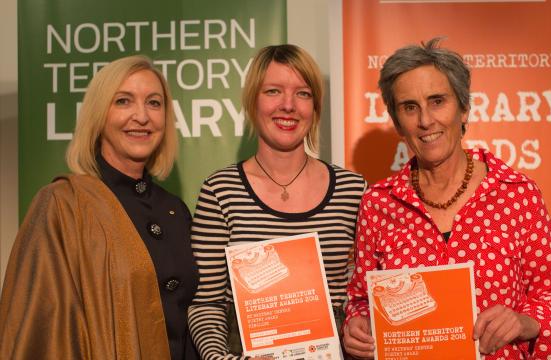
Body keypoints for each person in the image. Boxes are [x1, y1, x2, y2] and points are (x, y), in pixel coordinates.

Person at [342, 38, 551, 359]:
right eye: (410, 107)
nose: (426, 120)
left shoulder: (516, 193)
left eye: (437, 101)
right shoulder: (378, 203)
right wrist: (357, 324)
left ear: (463, 107)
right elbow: (360, 297)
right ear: (398, 121)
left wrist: (524, 322)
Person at [0, 55, 199, 359]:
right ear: (98, 114)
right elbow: (39, 332)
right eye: (123, 101)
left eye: (154, 103)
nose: (142, 116)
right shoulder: (61, 206)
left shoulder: (176, 211)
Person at [187, 44, 367, 359]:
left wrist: (360, 328)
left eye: (303, 94)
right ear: (252, 101)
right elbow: (207, 303)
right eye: (273, 91)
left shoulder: (353, 191)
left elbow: (361, 296)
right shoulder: (220, 191)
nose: (288, 105)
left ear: (315, 107)